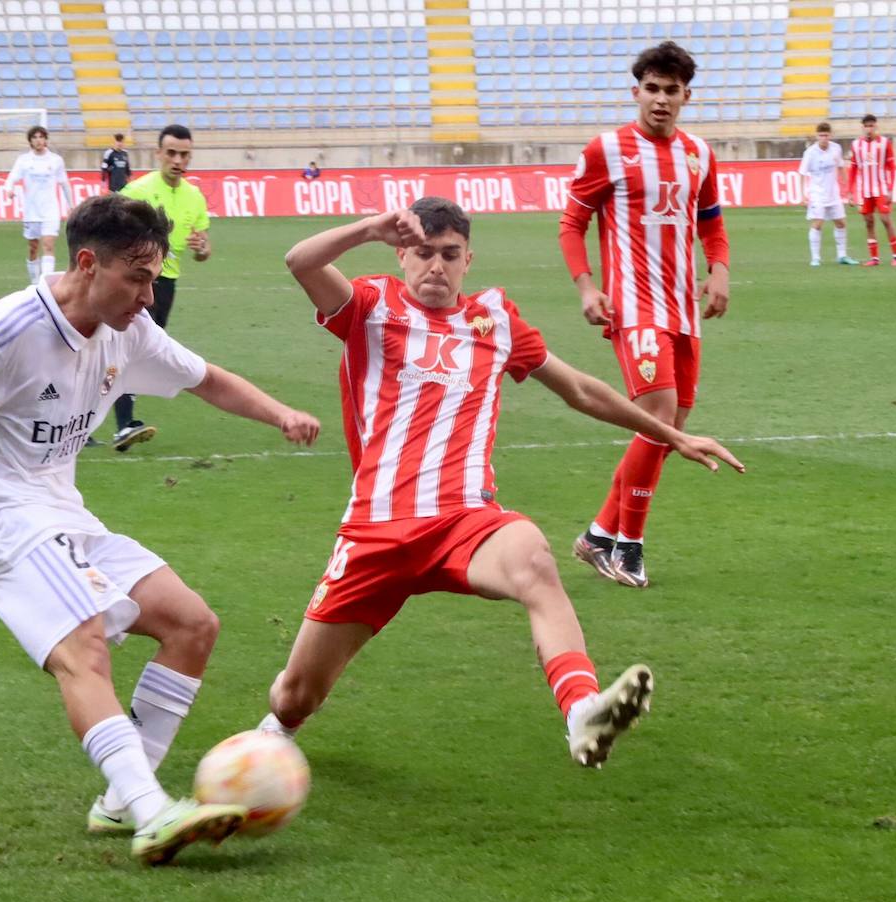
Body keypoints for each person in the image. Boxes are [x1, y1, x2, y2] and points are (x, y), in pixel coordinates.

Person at [0, 194, 321, 865]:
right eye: (138, 277)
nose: (149, 296)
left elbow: (207, 380)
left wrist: (280, 413)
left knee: (192, 625)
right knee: (85, 648)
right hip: (3, 527)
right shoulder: (1, 334)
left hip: (63, 514)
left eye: (154, 278)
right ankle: (151, 812)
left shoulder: (128, 330)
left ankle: (123, 802)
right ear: (88, 263)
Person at [257, 198, 744, 771]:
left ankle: (582, 711)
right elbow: (300, 261)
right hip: (377, 530)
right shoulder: (369, 304)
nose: (435, 266)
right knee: (296, 696)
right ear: (401, 255)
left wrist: (671, 434)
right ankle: (275, 732)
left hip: (466, 521)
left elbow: (580, 390)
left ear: (468, 259)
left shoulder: (495, 319)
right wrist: (366, 228)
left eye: (449, 255)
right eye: (422, 253)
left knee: (535, 559)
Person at [558, 41, 730, 588]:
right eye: (651, 89)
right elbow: (571, 224)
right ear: (636, 92)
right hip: (633, 307)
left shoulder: (699, 154)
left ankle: (597, 536)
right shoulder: (605, 150)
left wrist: (719, 268)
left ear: (686, 96)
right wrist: (587, 287)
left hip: (683, 307)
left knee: (671, 425)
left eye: (671, 91)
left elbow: (711, 222)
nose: (660, 100)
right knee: (657, 417)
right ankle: (627, 546)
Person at [112, 124, 210, 452]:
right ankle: (124, 425)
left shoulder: (194, 198)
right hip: (134, 281)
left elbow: (203, 251)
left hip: (166, 285)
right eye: (171, 153)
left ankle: (102, 414)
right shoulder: (135, 192)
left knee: (136, 349)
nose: (178, 160)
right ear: (159, 154)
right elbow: (108, 234)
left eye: (184, 154)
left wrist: (202, 248)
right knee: (127, 347)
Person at [4, 125, 75, 284]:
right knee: (33, 248)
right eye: (35, 138)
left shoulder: (55, 160)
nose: (38, 140)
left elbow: (64, 184)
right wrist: (9, 190)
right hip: (31, 211)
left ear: (45, 139)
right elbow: (11, 179)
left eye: (41, 137)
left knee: (48, 246)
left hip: (50, 210)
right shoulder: (24, 160)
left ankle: (44, 286)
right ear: (30, 141)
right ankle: (35, 283)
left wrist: (70, 205)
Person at [799, 123, 859, 267]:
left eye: (826, 135)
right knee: (818, 223)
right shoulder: (810, 152)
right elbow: (802, 173)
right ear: (817, 136)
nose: (824, 138)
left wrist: (849, 190)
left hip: (834, 193)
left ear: (830, 135)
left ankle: (842, 256)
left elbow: (841, 168)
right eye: (821, 135)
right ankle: (815, 258)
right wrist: (803, 194)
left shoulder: (836, 149)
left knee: (841, 223)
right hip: (817, 193)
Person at [848, 115, 896, 267]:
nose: (869, 129)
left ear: (876, 126)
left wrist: (891, 189)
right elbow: (853, 169)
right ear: (862, 127)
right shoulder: (856, 145)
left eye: (872, 126)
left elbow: (891, 167)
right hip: (864, 190)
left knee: (886, 220)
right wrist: (850, 192)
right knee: (869, 222)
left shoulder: (884, 143)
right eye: (867, 126)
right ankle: (874, 258)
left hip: (881, 189)